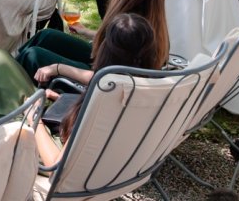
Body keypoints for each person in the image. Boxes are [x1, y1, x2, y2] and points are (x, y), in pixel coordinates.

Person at [14, 0, 169, 81]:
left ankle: (8, 83)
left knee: (33, 56)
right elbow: (117, 44)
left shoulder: (131, 25)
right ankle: (10, 67)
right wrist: (86, 32)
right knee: (46, 36)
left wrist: (57, 68)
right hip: (103, 63)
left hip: (98, 81)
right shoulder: (136, 10)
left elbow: (105, 80)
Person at [31, 13, 161, 166]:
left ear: (106, 51)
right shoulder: (156, 93)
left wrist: (34, 117)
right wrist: (62, 100)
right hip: (123, 170)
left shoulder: (102, 101)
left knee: (4, 64)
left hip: (78, 176)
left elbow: (55, 165)